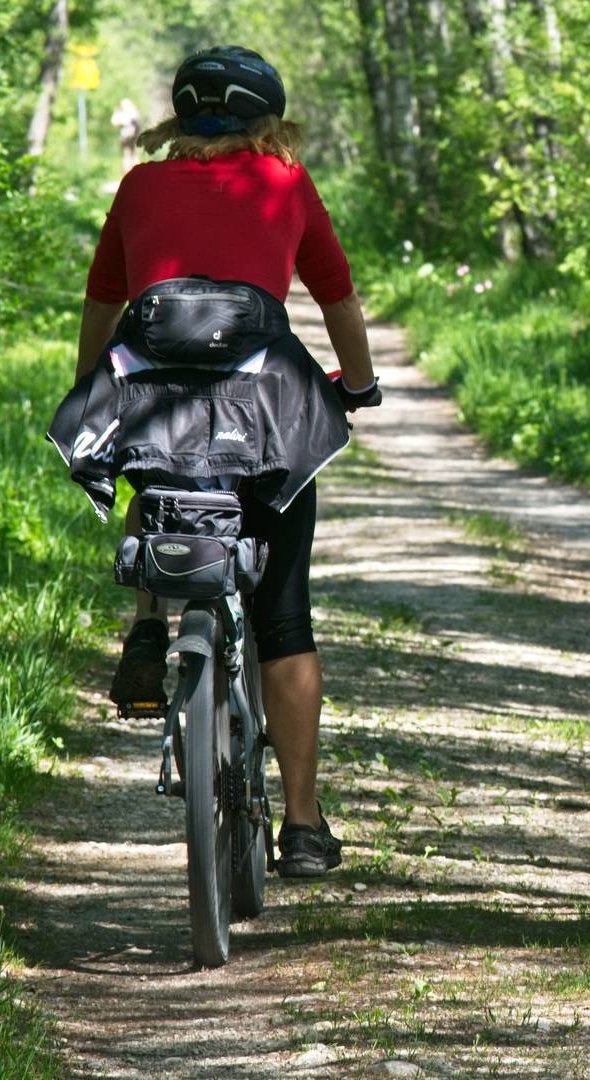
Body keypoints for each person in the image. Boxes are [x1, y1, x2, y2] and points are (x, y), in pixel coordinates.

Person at [73, 47, 382, 877]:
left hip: (154, 396)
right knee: (284, 615)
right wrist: (359, 386)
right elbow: (337, 297)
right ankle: (305, 826)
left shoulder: (140, 185)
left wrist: (89, 389)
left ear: (180, 118)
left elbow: (105, 303)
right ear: (266, 120)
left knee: (153, 463)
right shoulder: (285, 181)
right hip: (264, 407)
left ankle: (147, 622)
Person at [110, 97, 141, 173]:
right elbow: (114, 122)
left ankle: (134, 173)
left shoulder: (130, 112)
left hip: (132, 137)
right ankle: (130, 173)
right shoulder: (129, 112)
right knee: (129, 155)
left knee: (132, 155)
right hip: (127, 137)